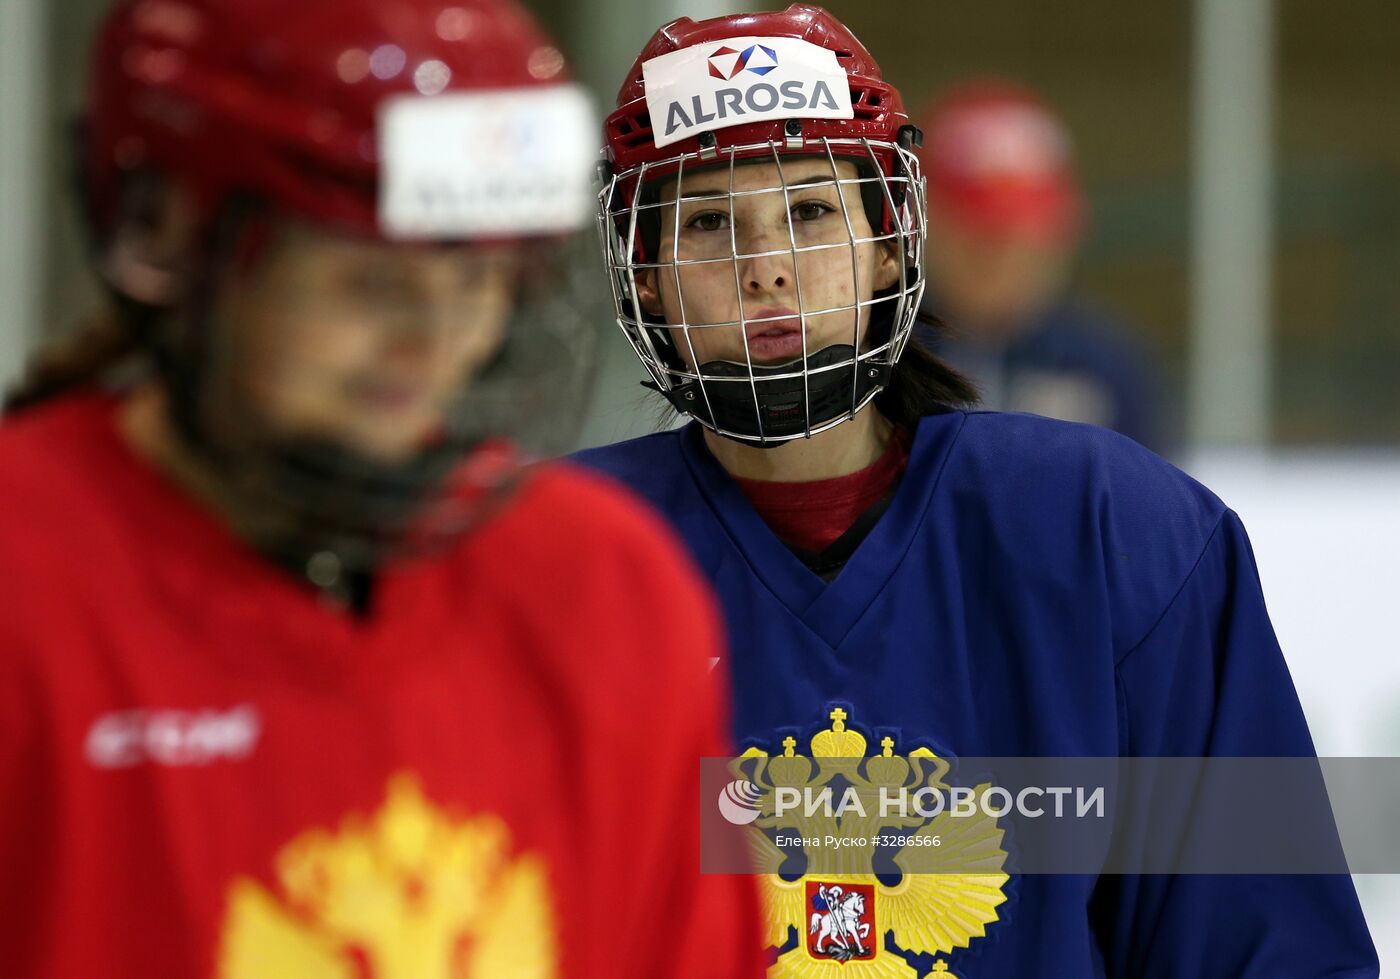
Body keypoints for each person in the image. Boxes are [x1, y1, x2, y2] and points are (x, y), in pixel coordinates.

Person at [578, 4, 1378, 976]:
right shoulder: (557, 570)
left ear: (888, 242)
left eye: (810, 212)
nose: (767, 269)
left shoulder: (1117, 532)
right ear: (646, 275)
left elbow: (1271, 949)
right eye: (709, 223)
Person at [0, 0, 762, 975]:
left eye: (480, 278)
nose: (434, 343)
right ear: (169, 234)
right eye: (369, 279)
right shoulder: (27, 582)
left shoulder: (611, 591)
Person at [917, 80, 1172, 454]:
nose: (1007, 258)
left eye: (1029, 235)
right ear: (924, 227)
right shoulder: (880, 358)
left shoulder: (1107, 367)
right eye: (984, 237)